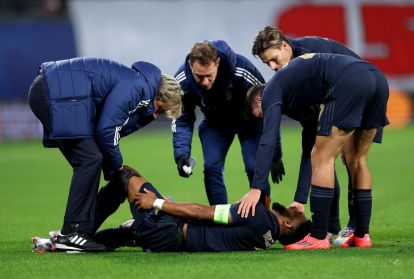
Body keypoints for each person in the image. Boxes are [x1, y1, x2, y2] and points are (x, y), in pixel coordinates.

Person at [28, 57, 183, 252]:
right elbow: (106, 130)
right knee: (90, 160)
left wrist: (115, 171)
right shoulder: (140, 88)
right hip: (54, 92)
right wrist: (117, 166)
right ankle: (71, 233)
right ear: (158, 96)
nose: (154, 115)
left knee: (92, 160)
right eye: (160, 109)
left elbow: (109, 129)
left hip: (57, 91)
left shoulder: (138, 84)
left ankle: (79, 232)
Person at [238, 53, 389, 249]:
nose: (265, 117)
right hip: (376, 77)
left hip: (349, 82)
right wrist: (300, 199)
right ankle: (362, 235)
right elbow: (307, 147)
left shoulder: (271, 90)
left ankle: (318, 237)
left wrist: (256, 188)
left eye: (260, 115)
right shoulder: (301, 97)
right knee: (356, 159)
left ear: (259, 99)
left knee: (322, 158)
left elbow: (268, 139)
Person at [172, 40, 283, 207]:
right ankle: (220, 224)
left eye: (209, 75)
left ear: (218, 62)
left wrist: (275, 153)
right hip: (214, 124)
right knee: (211, 169)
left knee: (255, 168)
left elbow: (269, 110)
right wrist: (181, 154)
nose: (205, 82)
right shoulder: (182, 81)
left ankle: (262, 221)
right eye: (199, 76)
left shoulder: (242, 70)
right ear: (190, 64)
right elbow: (181, 118)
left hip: (249, 123)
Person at [93, 168, 312, 252]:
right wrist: (173, 205)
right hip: (173, 242)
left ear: (288, 224)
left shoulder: (256, 214)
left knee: (126, 175)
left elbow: (202, 213)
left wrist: (159, 204)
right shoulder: (266, 239)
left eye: (299, 213)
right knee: (126, 234)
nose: (296, 207)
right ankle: (84, 242)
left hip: (168, 230)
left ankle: (79, 233)